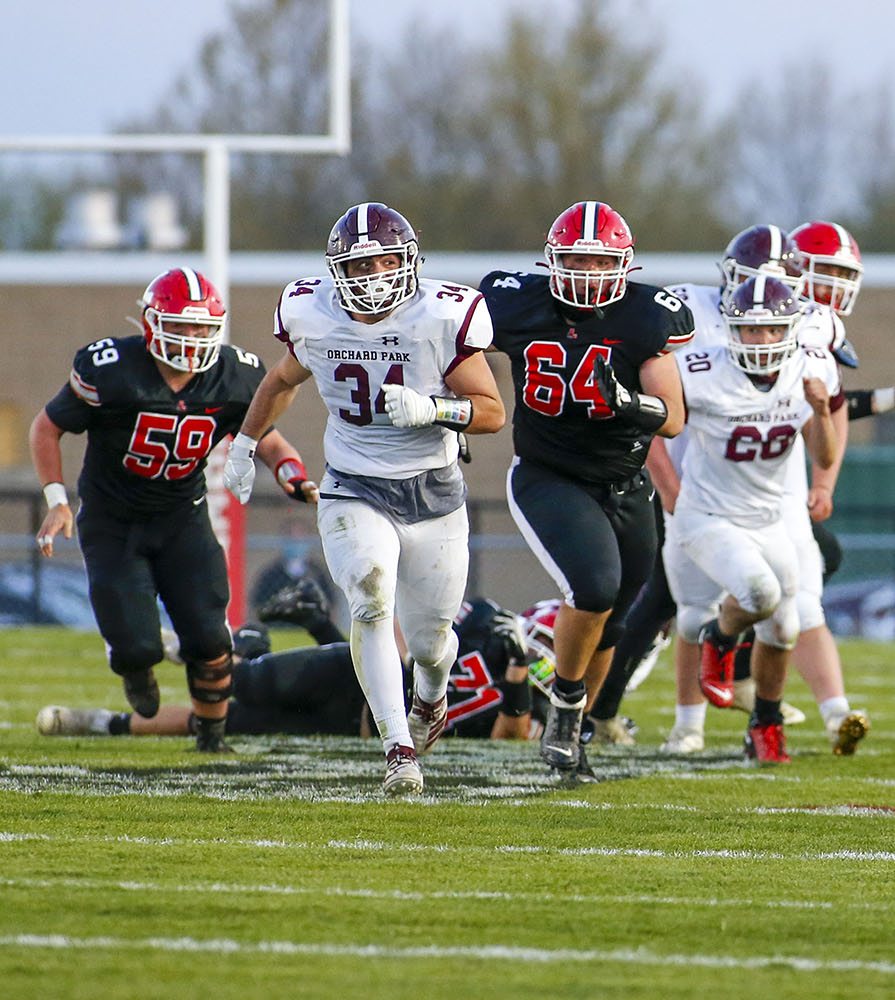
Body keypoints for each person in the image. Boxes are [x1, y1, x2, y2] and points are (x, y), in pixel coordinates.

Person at [225, 202, 505, 796]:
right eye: (357, 266)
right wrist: (246, 444)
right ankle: (398, 749)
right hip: (353, 481)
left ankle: (432, 692)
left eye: (382, 261)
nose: (372, 276)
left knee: (430, 642)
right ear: (335, 271)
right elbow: (279, 381)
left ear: (408, 261)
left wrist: (435, 409)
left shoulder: (442, 314)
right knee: (370, 599)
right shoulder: (314, 312)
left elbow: (492, 412)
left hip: (433, 490)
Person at [29, 267, 315, 754]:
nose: (192, 338)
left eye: (202, 327)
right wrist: (57, 501)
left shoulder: (233, 375)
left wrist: (290, 470)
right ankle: (134, 666)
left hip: (182, 516)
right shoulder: (112, 369)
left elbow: (262, 435)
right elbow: (46, 427)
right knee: (136, 645)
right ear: (151, 322)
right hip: (113, 520)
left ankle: (211, 736)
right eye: (180, 325)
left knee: (209, 635)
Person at [479, 200, 692, 782]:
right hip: (550, 474)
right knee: (593, 588)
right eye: (575, 259)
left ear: (624, 265)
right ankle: (568, 717)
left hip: (626, 482)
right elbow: (450, 344)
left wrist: (624, 403)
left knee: (618, 618)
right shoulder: (514, 301)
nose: (587, 274)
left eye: (599, 262)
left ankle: (573, 726)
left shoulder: (646, 317)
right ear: (552, 261)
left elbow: (672, 417)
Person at [662, 275, 842, 761]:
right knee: (758, 593)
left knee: (784, 628)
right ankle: (718, 640)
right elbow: (660, 426)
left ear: (790, 330)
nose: (759, 341)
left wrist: (822, 411)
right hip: (707, 515)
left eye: (770, 331)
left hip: (767, 520)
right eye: (749, 330)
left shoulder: (810, 368)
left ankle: (765, 724)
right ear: (730, 330)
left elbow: (823, 456)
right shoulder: (697, 369)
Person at [37, 590, 551, 744]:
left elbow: (509, 737)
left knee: (224, 721)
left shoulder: (539, 696)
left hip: (356, 731)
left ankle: (103, 723)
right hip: (357, 682)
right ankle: (172, 650)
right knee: (250, 682)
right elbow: (400, 631)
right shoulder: (484, 620)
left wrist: (517, 678)